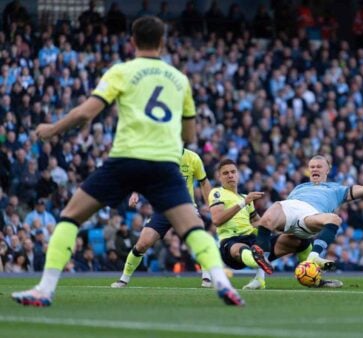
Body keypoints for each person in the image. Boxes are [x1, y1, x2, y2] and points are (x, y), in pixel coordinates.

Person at [11, 16, 244, 307]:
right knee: (193, 228)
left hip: (125, 159)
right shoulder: (179, 79)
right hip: (164, 164)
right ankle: (223, 284)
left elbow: (85, 114)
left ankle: (44, 290)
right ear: (162, 43)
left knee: (70, 216)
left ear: (132, 41)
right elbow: (190, 133)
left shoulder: (121, 71)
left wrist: (52, 129)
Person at [209, 159, 342, 289]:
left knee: (298, 239)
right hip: (231, 243)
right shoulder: (217, 193)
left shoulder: (245, 197)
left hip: (252, 239)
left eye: (233, 172)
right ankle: (258, 258)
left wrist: (275, 224)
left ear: (238, 174)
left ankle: (315, 278)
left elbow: (256, 222)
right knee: (241, 248)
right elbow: (217, 219)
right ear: (219, 177)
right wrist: (243, 203)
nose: (230, 175)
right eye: (226, 173)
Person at [254, 147, 363, 271]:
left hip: (312, 215)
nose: (314, 169)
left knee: (334, 219)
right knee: (268, 218)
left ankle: (313, 257)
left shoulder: (337, 189)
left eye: (318, 167)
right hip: (290, 207)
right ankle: (260, 273)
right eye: (312, 167)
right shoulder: (299, 187)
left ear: (327, 170)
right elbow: (284, 219)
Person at [110, 148, 214, 288]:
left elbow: (204, 182)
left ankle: (207, 277)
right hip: (163, 207)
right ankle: (124, 278)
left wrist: (210, 204)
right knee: (143, 243)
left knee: (199, 233)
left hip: (185, 207)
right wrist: (135, 193)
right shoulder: (159, 155)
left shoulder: (193, 158)